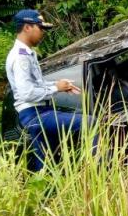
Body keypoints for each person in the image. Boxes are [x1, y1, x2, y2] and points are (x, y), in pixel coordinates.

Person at [5, 9, 87, 172]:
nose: (43, 33)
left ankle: (47, 195)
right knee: (89, 122)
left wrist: (59, 85)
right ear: (28, 27)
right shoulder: (20, 57)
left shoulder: (28, 53)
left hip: (40, 111)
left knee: (45, 165)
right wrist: (56, 88)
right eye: (40, 28)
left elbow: (38, 84)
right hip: (33, 114)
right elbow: (26, 93)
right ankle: (96, 174)